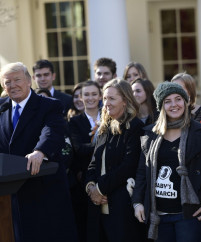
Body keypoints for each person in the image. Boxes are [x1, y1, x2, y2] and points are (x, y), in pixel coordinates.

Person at [132, 82, 201, 242]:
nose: (174, 105)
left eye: (178, 99)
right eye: (168, 101)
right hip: (159, 215)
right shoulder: (150, 134)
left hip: (191, 215)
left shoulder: (200, 132)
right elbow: (142, 172)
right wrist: (137, 202)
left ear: (185, 102)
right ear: (161, 106)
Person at [0, 62, 77, 242]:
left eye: (17, 79)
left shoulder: (49, 105)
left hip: (43, 188)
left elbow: (52, 132)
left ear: (28, 81)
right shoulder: (1, 107)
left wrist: (40, 151)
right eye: (7, 82)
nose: (13, 85)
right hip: (11, 194)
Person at [85, 78, 146, 242]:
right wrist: (91, 188)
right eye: (104, 98)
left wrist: (100, 188)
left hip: (122, 208)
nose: (106, 103)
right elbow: (92, 163)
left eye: (112, 98)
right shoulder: (104, 127)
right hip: (98, 207)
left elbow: (128, 166)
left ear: (125, 101)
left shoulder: (135, 127)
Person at [69, 80, 102, 242]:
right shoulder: (74, 122)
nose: (90, 98)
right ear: (80, 98)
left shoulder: (109, 116)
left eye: (94, 94)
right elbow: (79, 149)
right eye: (86, 94)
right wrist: (102, 143)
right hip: (86, 180)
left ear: (100, 96)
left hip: (108, 177)